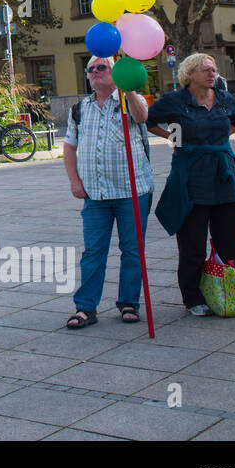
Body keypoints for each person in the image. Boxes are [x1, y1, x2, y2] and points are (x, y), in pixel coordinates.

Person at [147, 53, 235, 317]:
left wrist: (221, 140)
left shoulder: (224, 98)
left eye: (213, 70)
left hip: (224, 176)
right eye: (206, 69)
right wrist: (173, 137)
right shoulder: (175, 101)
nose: (212, 74)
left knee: (230, 242)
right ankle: (193, 298)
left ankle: (232, 292)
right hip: (192, 178)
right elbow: (148, 120)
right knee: (192, 244)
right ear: (190, 74)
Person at [62, 56, 152, 329]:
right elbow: (69, 147)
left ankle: (128, 303)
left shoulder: (130, 101)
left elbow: (142, 117)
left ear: (116, 73)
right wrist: (74, 181)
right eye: (90, 69)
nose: (95, 72)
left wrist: (129, 88)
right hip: (95, 194)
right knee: (93, 251)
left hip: (131, 190)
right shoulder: (80, 108)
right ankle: (86, 308)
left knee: (132, 250)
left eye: (102, 67)